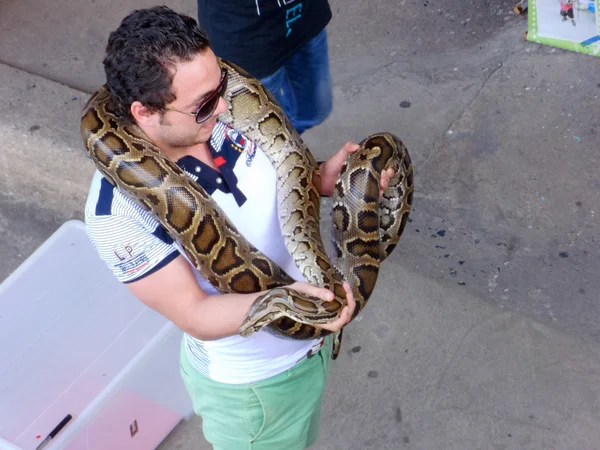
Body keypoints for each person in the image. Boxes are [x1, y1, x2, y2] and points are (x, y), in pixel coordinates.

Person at [84, 6, 393, 450]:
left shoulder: (215, 118)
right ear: (145, 113)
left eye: (222, 87)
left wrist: (326, 179)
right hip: (255, 395)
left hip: (309, 349)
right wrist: (281, 300)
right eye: (206, 103)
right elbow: (193, 313)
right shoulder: (118, 212)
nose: (228, 105)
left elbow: (277, 179)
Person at [196, 0, 333, 134]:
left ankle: (288, 142)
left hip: (303, 17)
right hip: (243, 36)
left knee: (314, 113)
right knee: (263, 131)